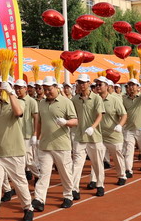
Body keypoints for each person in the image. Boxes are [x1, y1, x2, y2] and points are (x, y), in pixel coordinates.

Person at [0, 81, 34, 221]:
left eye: (1, 86)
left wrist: (11, 93)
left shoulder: (19, 102)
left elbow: (18, 113)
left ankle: (28, 207)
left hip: (15, 152)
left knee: (20, 183)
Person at [34, 78, 78, 209]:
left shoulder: (66, 102)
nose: (47, 92)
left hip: (61, 145)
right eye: (45, 89)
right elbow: (40, 122)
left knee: (65, 172)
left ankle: (68, 195)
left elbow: (75, 121)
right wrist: (36, 138)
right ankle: (39, 199)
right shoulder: (41, 103)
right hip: (45, 145)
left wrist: (66, 122)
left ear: (56, 87)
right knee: (44, 173)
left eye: (49, 89)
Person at [71, 73, 105, 197]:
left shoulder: (96, 98)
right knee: (77, 164)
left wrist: (92, 127)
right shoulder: (74, 99)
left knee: (97, 163)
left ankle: (100, 185)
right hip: (79, 136)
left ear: (89, 83)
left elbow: (100, 115)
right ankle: (74, 189)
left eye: (84, 82)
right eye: (79, 82)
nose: (82, 85)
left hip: (94, 137)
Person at [97, 78, 128, 186]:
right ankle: (95, 180)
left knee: (117, 157)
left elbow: (124, 114)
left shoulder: (115, 100)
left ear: (107, 86)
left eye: (100, 84)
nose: (97, 87)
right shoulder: (95, 100)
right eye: (96, 85)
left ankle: (122, 175)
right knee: (97, 159)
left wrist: (120, 125)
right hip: (99, 135)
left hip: (113, 135)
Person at [14, 79, 40, 183]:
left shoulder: (31, 101)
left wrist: (35, 134)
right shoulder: (15, 100)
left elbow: (36, 118)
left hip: (27, 135)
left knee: (29, 160)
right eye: (16, 88)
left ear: (25, 89)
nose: (18, 90)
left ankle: (38, 175)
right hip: (17, 135)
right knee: (17, 160)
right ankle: (20, 182)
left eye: (20, 88)